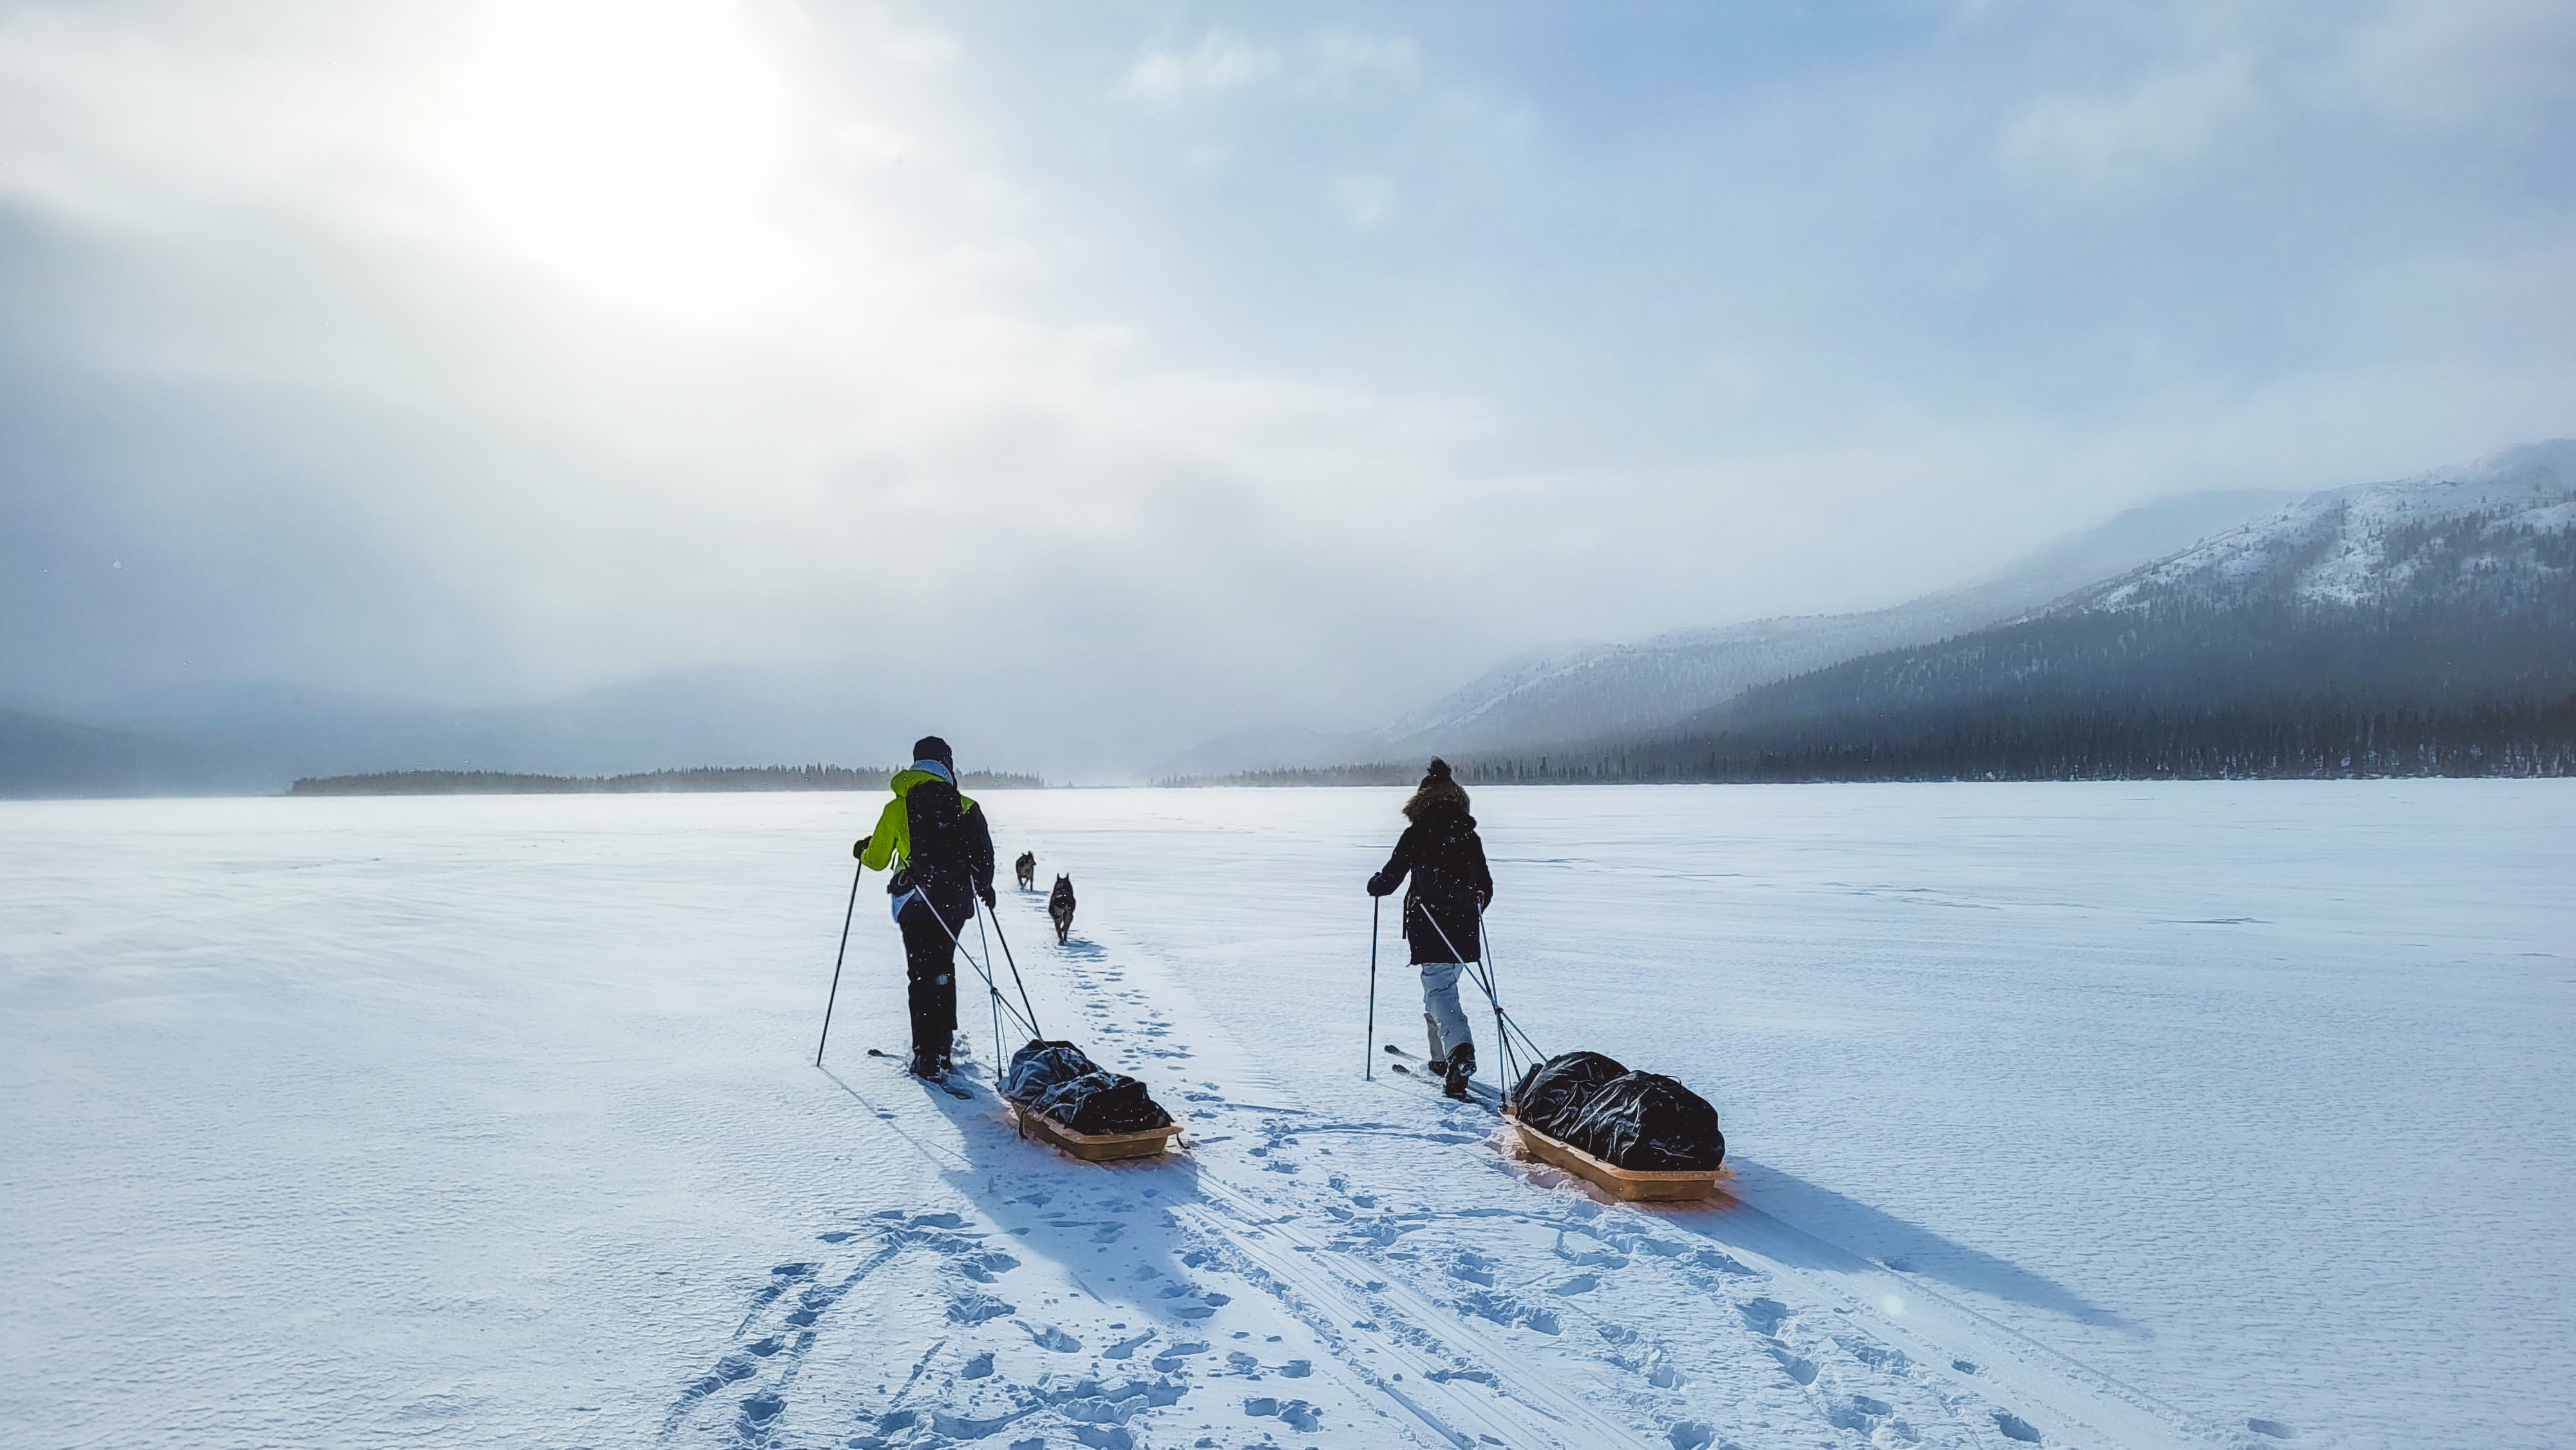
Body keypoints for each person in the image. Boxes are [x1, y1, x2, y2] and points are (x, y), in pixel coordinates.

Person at [852, 736, 996, 1078]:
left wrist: (862, 849)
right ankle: (944, 1042)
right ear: (947, 764)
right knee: (943, 965)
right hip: (955, 904)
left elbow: (877, 859)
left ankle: (927, 1054)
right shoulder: (968, 806)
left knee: (920, 973)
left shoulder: (896, 807)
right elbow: (984, 861)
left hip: (914, 903)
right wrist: (983, 886)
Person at [1366, 758, 1494, 1100]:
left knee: (1439, 992)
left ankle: (1460, 1054)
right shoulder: (1470, 836)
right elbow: (1486, 887)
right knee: (1442, 988)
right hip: (1465, 929)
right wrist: (1473, 904)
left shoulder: (1417, 833)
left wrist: (1375, 884)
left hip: (1430, 926)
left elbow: (1391, 878)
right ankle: (1441, 1060)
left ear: (1421, 802)